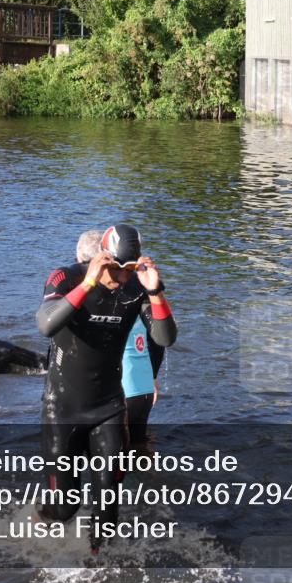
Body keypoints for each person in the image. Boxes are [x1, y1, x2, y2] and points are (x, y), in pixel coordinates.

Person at [34, 225, 177, 553]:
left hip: (109, 407)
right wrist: (88, 283)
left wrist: (155, 292)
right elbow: (45, 325)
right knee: (64, 508)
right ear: (101, 258)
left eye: (129, 270)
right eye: (115, 269)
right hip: (63, 407)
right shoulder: (66, 278)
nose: (122, 278)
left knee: (107, 506)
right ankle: (38, 521)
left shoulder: (135, 289)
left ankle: (98, 569)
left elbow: (165, 338)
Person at [122, 317, 165, 448]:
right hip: (142, 385)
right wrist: (153, 376)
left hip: (118, 386)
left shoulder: (97, 305)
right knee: (139, 444)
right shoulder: (142, 301)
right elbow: (159, 340)